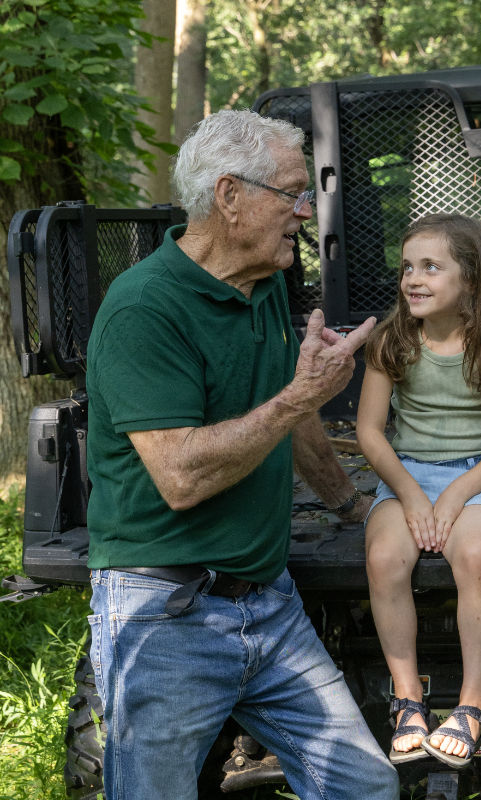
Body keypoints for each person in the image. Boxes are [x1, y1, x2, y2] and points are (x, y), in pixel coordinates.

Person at [85, 109, 399, 800]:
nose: (304, 212)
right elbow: (181, 476)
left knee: (364, 787)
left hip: (268, 603)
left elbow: (292, 413)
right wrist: (296, 397)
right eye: (292, 193)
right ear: (229, 196)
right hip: (167, 611)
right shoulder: (144, 309)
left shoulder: (263, 281)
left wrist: (353, 507)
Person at [356, 213, 481, 768]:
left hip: (480, 477)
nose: (413, 278)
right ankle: (407, 697)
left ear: (472, 280)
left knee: (475, 554)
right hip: (408, 472)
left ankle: (473, 704)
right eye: (408, 267)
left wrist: (458, 494)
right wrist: (409, 494)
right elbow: (368, 431)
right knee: (385, 557)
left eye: (432, 266)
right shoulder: (393, 341)